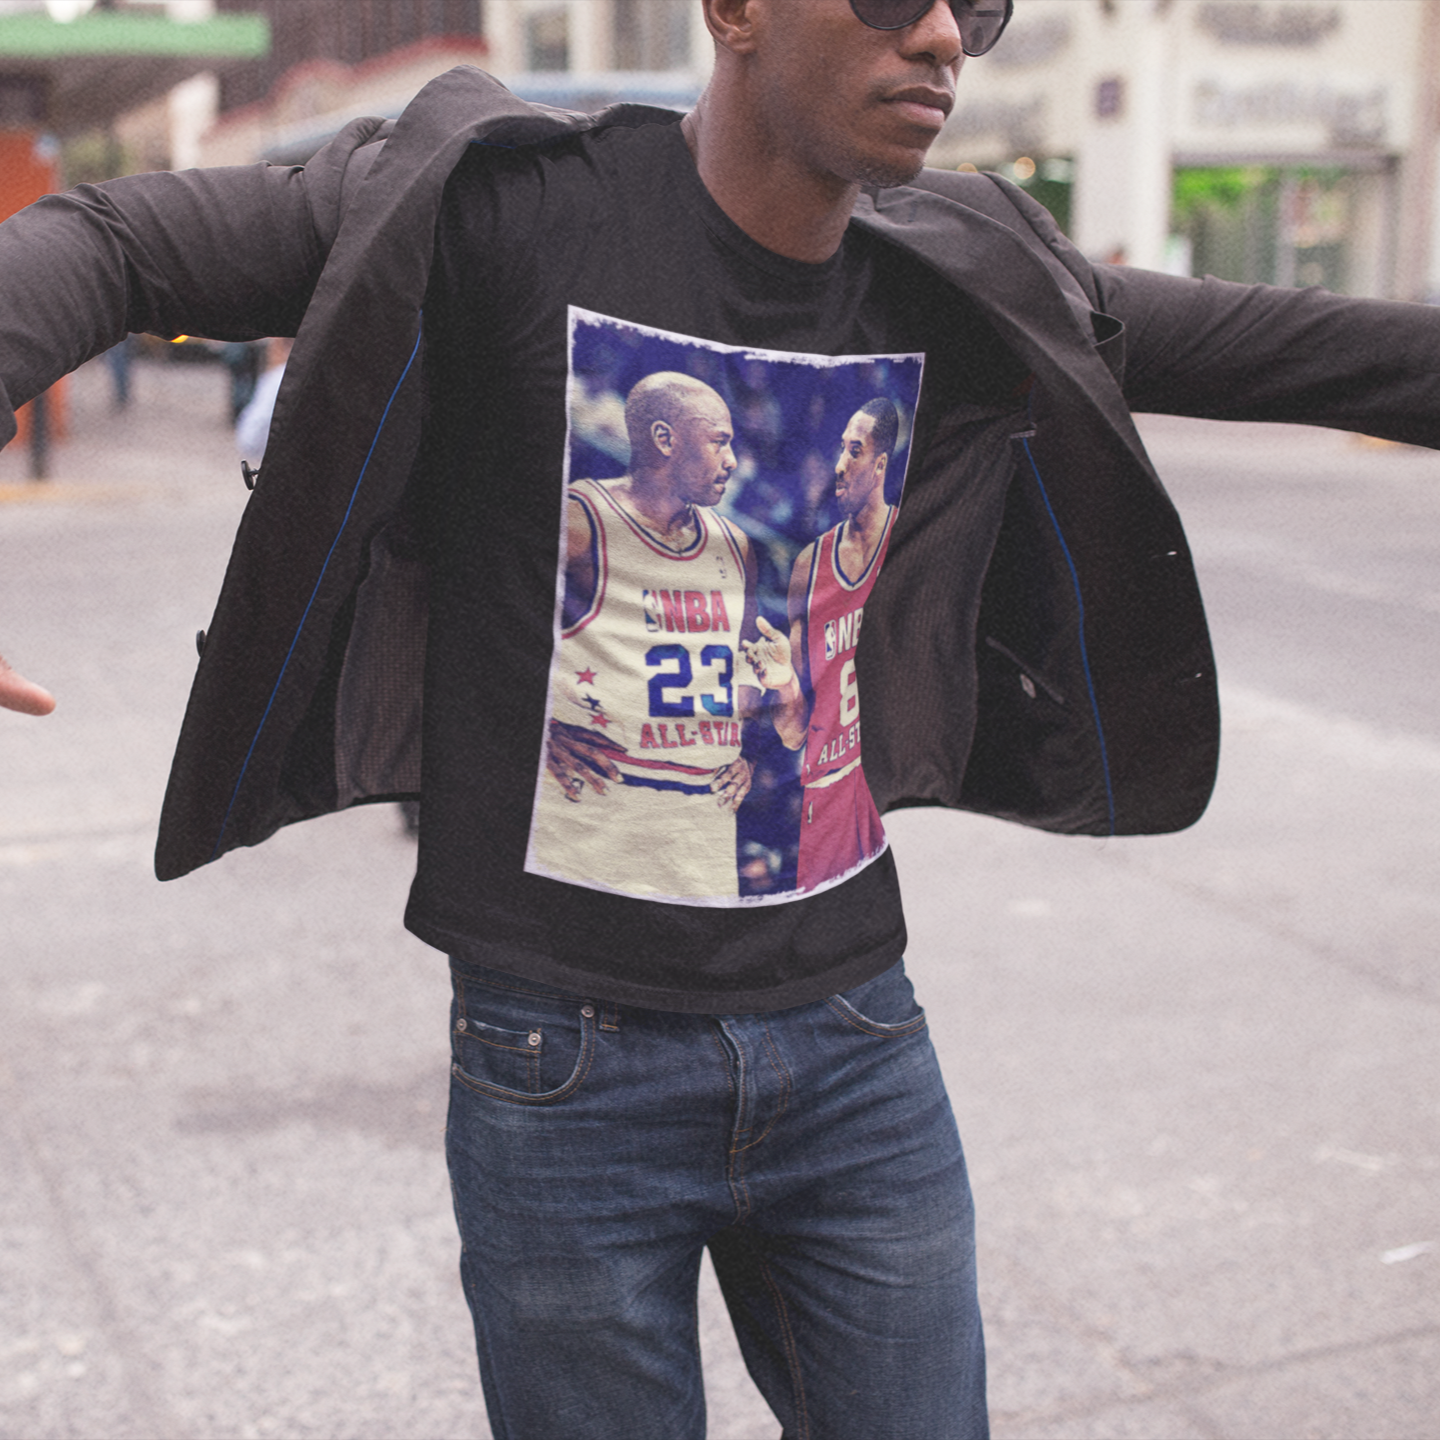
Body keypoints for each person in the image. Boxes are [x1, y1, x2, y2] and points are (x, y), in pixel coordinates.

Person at [2, 2, 1439, 1436]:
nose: (945, 36)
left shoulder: (960, 270)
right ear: (736, 9)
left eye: (978, 4)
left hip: (856, 1040)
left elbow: (1293, 345)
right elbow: (116, 242)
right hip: (561, 1064)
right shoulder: (504, 210)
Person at [534, 369, 758, 900]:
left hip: (700, 824)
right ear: (664, 439)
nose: (731, 460)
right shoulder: (581, 519)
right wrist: (536, 730)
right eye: (719, 442)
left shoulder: (736, 544)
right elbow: (491, 626)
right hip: (595, 810)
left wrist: (746, 754)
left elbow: (749, 666)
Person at [744, 397, 901, 895]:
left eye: (854, 451)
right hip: (823, 802)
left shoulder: (905, 542)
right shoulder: (810, 565)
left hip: (887, 788)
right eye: (839, 449)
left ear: (880, 464)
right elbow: (794, 732)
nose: (839, 465)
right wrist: (781, 682)